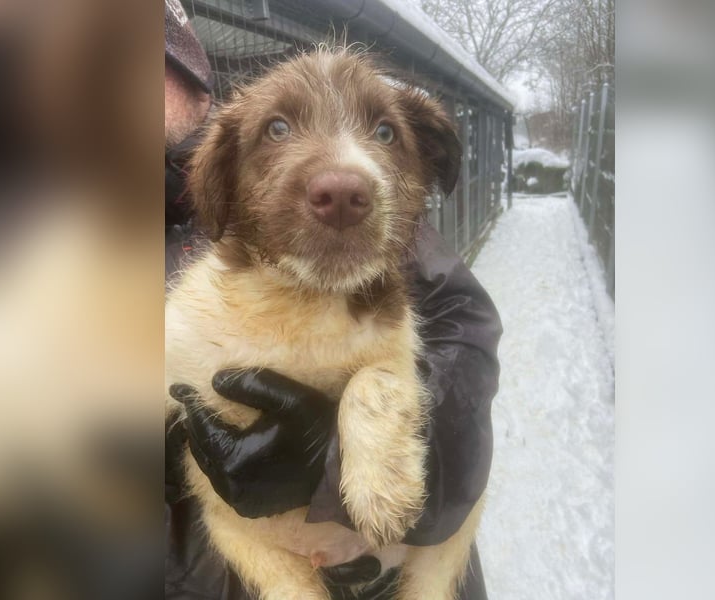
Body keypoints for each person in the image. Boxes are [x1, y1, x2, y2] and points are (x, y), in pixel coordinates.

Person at [163, 2, 502, 598]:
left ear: (192, 82)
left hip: (413, 558)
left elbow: (466, 330)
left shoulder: (389, 230)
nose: (343, 178)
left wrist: (338, 458)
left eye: (384, 133)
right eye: (278, 131)